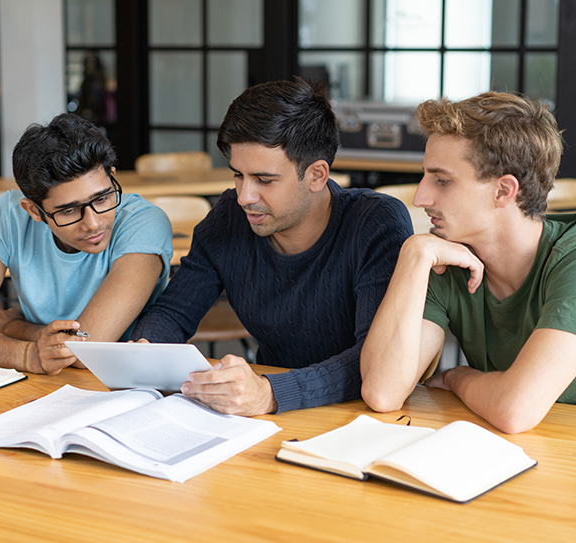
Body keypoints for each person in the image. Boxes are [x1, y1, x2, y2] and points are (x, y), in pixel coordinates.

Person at [360, 91, 576, 433]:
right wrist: (413, 255)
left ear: (503, 191)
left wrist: (459, 377)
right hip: (525, 455)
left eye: (442, 180)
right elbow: (383, 393)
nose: (420, 197)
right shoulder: (449, 257)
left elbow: (515, 410)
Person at [132, 78, 413, 416]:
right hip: (266, 409)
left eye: (264, 180)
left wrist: (270, 394)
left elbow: (372, 359)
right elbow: (173, 312)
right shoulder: (230, 217)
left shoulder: (375, 223)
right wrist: (147, 350)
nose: (244, 197)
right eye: (238, 175)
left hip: (363, 413)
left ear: (317, 175)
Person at [0, 113, 173, 375]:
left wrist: (13, 328)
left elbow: (85, 351)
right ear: (34, 211)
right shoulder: (8, 215)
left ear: (112, 177)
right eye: (69, 211)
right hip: (41, 381)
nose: (93, 223)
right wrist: (28, 355)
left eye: (103, 198)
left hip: (124, 383)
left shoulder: (144, 222)